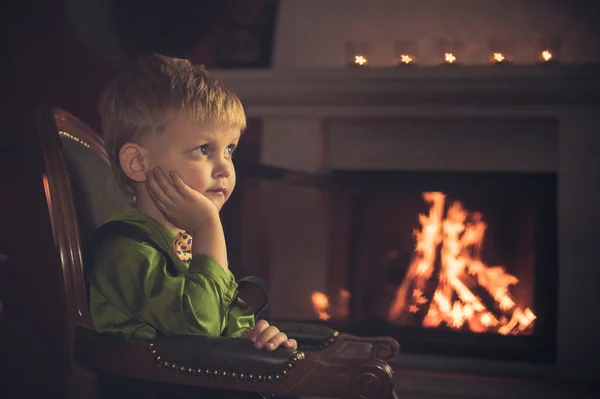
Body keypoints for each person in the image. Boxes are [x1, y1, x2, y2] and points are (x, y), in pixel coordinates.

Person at [86, 55, 297, 396]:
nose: (225, 168)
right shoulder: (122, 249)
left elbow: (222, 322)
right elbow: (199, 327)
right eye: (203, 149)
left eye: (229, 150)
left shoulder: (186, 241)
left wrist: (252, 337)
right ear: (138, 162)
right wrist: (209, 228)